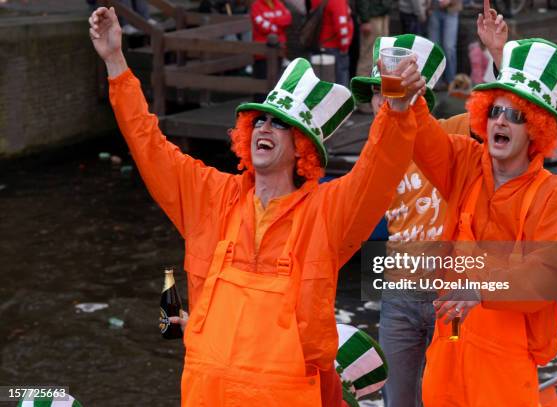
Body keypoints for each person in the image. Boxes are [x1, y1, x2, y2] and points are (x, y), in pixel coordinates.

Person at [88, 6, 427, 406]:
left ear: (303, 148)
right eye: (260, 122)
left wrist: (397, 111)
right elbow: (148, 144)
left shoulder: (328, 213)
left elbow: (379, 170)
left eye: (279, 124)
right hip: (204, 393)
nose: (264, 128)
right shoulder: (208, 197)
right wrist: (115, 62)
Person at [408, 37, 557, 406]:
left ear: (536, 128)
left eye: (515, 115)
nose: (501, 120)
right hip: (449, 345)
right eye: (494, 112)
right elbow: (422, 138)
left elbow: (548, 275)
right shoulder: (465, 161)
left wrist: (482, 289)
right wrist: (409, 99)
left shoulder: (553, 194)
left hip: (505, 365)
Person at [348, 4, 506, 404]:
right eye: (377, 93)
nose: (381, 102)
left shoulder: (454, 135)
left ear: (422, 97)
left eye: (392, 92)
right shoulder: (376, 148)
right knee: (397, 398)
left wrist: (498, 55)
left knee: (447, 391)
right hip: (398, 294)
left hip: (448, 295)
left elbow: (504, 115)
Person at [250, 0, 292, 102]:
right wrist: (278, 25)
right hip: (262, 54)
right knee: (262, 84)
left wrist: (273, 22)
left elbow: (288, 18)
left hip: (279, 51)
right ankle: (259, 110)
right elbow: (263, 27)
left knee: (277, 82)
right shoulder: (256, 6)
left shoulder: (278, 3)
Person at [311, 0, 355, 87]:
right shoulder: (337, 1)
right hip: (335, 47)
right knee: (340, 84)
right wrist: (344, 47)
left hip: (320, 45)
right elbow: (341, 27)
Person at [427, 0, 462, 87]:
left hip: (451, 9)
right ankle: (436, 82)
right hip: (434, 9)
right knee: (434, 47)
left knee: (449, 47)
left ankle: (451, 82)